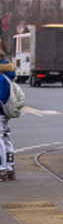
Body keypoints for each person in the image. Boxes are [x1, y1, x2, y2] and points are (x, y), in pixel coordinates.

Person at [0, 49, 16, 181]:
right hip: (6, 111)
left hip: (0, 110)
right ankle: (10, 168)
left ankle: (2, 169)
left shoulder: (0, 76)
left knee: (0, 140)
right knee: (6, 138)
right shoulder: (9, 73)